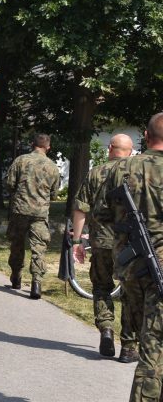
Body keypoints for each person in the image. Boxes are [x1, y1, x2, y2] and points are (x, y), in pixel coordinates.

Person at [94, 113, 163, 401]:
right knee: (154, 346)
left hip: (133, 271)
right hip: (158, 271)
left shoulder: (117, 169)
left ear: (145, 137)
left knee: (150, 341)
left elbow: (102, 214)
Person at [72, 134, 137, 361]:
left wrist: (77, 241)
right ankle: (129, 345)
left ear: (110, 148)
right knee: (130, 291)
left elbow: (81, 208)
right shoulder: (136, 173)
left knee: (101, 286)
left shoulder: (95, 173)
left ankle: (107, 328)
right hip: (130, 243)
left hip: (101, 241)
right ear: (131, 151)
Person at [5, 133, 61, 299]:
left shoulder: (20, 161)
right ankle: (36, 283)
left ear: (32, 144)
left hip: (20, 210)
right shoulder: (52, 166)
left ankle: (16, 277)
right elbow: (54, 194)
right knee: (38, 248)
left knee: (17, 243)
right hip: (40, 213)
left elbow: (9, 184)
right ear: (48, 147)